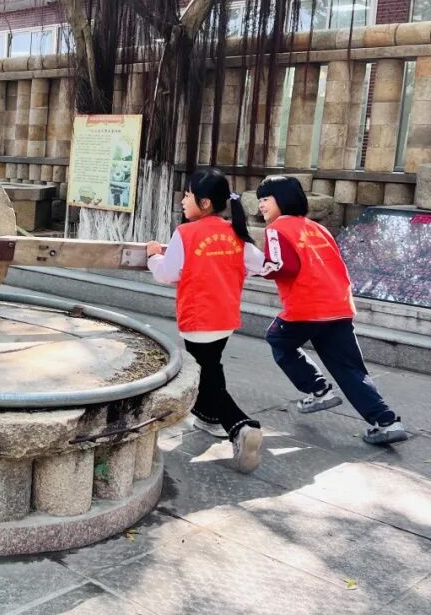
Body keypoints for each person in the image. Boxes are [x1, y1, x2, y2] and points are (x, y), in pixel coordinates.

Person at [255, 175, 408, 445]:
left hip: (307, 307)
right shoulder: (318, 228)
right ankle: (387, 422)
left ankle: (319, 390)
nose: (261, 205)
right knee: (349, 368)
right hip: (339, 305)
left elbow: (282, 266)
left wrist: (254, 268)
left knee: (278, 339)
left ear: (283, 199)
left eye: (266, 199)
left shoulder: (277, 228)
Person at [146, 168, 265, 473]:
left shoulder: (186, 233)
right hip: (226, 316)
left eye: (187, 195)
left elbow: (167, 273)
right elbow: (258, 263)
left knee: (204, 376)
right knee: (212, 367)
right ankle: (210, 419)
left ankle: (241, 426)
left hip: (198, 318)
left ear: (205, 202)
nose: (182, 200)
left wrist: (153, 256)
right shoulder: (235, 232)